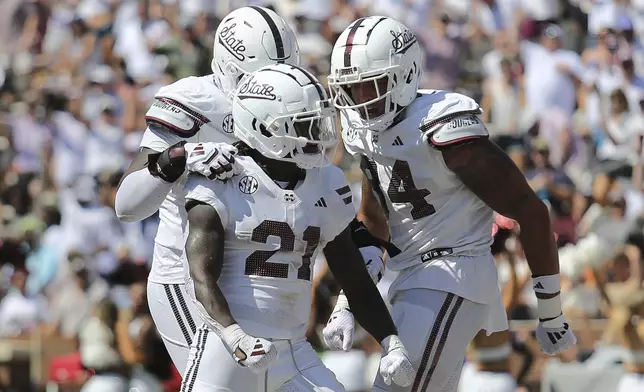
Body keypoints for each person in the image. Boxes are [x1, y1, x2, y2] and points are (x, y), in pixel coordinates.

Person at [323, 16, 577, 391]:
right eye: (352, 88)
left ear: (405, 74)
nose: (362, 100)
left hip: (453, 271)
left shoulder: (441, 125)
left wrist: (552, 313)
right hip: (411, 277)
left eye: (370, 85)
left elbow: (530, 209)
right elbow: (374, 222)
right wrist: (348, 301)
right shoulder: (362, 132)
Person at [181, 63, 415, 391]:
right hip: (227, 351)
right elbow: (199, 279)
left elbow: (354, 276)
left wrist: (391, 342)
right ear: (262, 126)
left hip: (293, 349)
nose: (317, 135)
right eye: (303, 126)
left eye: (316, 123)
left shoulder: (325, 183)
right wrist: (235, 336)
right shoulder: (222, 178)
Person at [114, 6, 301, 374]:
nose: (274, 90)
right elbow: (127, 204)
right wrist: (179, 158)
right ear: (230, 68)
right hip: (187, 280)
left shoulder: (291, 102)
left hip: (257, 281)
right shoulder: (195, 101)